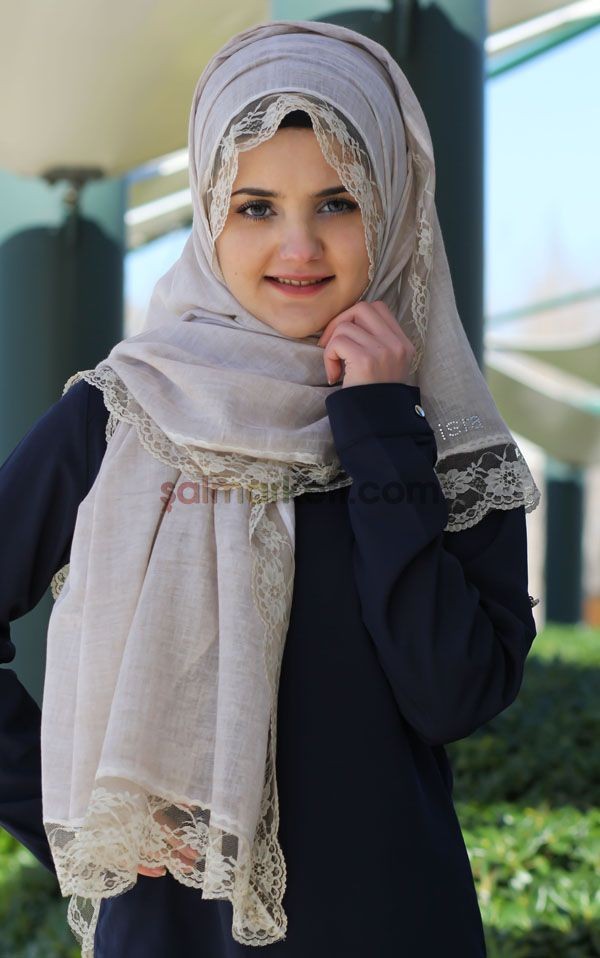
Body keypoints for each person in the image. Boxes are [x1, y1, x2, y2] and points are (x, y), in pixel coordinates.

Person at [0, 18, 541, 958]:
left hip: (391, 929)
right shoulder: (123, 415)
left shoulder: (435, 431)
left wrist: (378, 427)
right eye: (256, 206)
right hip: (172, 932)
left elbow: (452, 695)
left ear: (394, 206)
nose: (299, 245)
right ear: (209, 214)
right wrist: (88, 823)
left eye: (339, 201)